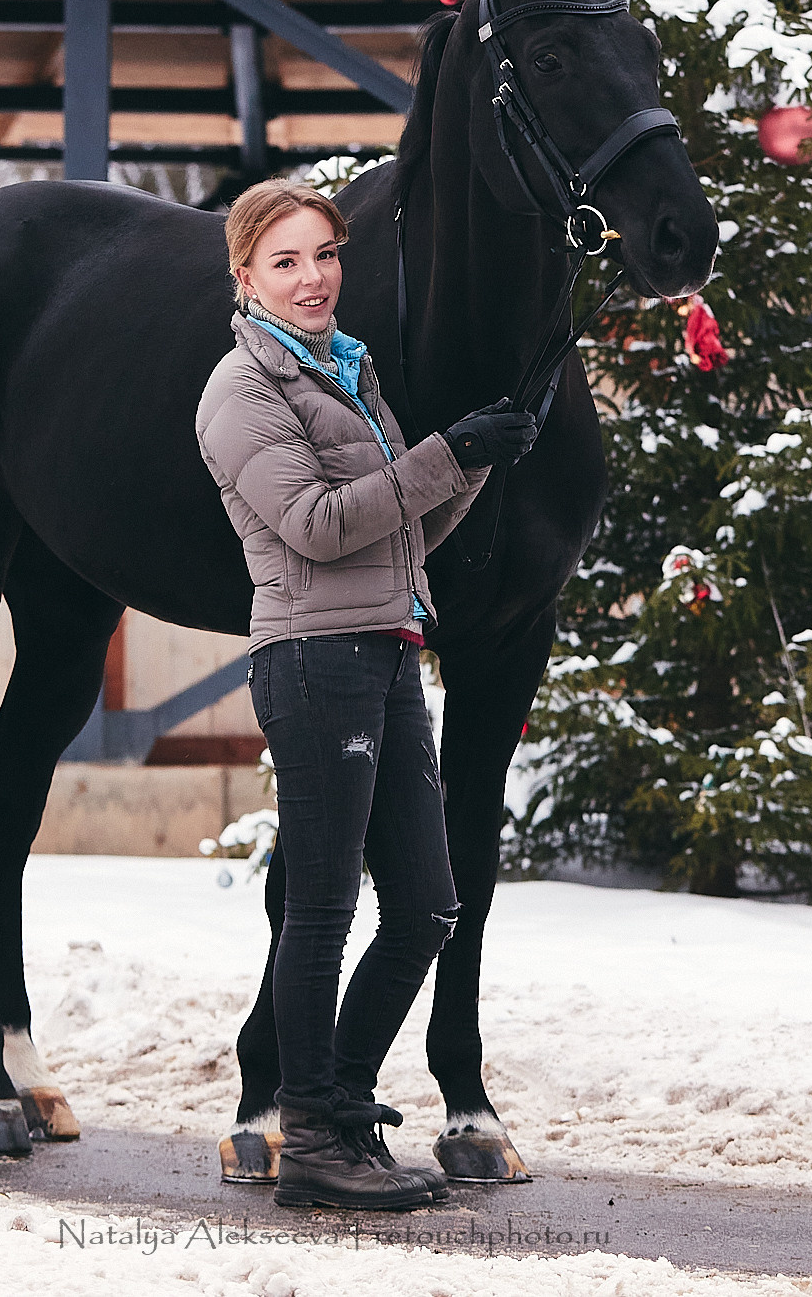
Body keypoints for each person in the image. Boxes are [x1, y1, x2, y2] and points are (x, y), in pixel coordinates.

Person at [193, 178, 540, 1210]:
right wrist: (446, 453)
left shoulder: (348, 375)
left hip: (385, 652)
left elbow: (399, 528)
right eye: (287, 261)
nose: (313, 279)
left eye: (326, 256)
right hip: (312, 662)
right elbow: (315, 523)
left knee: (428, 906)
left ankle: (338, 1109)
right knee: (325, 906)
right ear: (246, 276)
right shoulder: (241, 391)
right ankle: (309, 1136)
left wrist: (474, 465)